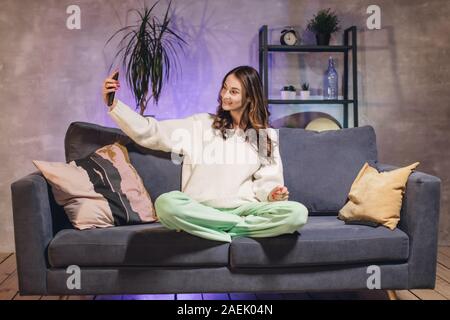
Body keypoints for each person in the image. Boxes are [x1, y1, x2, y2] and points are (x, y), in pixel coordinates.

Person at [102, 65, 308, 242]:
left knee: (297, 213)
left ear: (250, 98)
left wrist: (273, 194)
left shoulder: (265, 136)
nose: (225, 95)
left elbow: (268, 184)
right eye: (225, 88)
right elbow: (152, 131)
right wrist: (114, 105)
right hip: (199, 208)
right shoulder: (201, 124)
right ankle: (237, 230)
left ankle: (217, 231)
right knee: (166, 204)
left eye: (234, 92)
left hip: (244, 209)